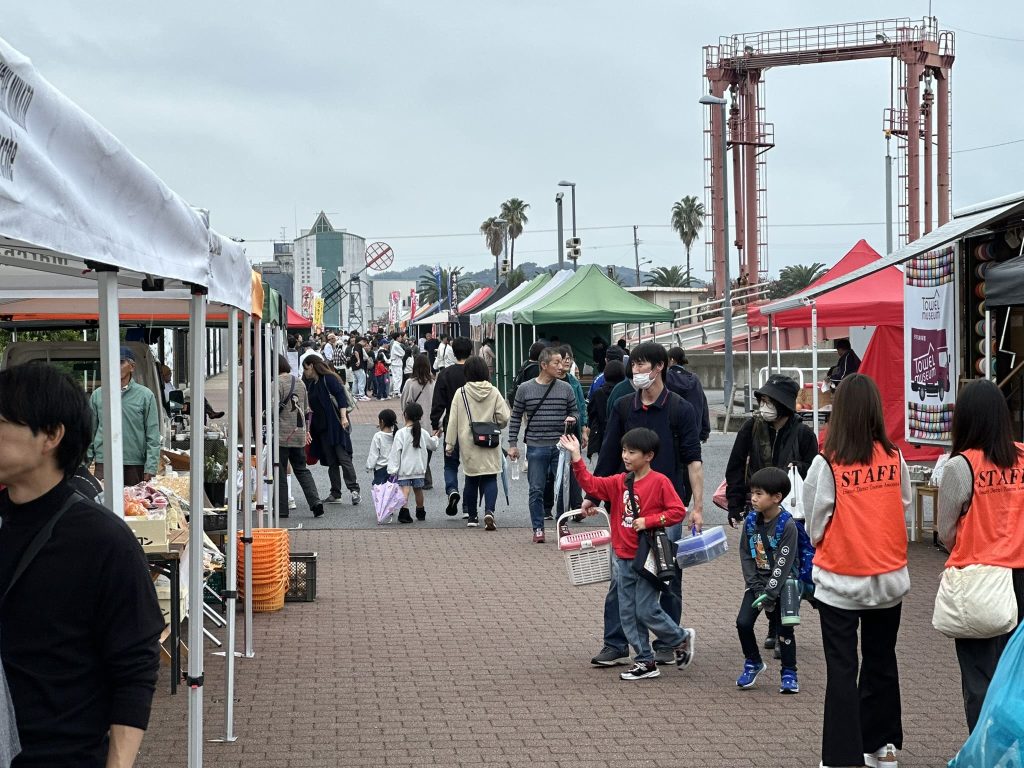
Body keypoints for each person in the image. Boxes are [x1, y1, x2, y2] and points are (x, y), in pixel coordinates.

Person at [0, 362, 164, 766]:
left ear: (52, 436)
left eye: (2, 422)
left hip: (62, 755)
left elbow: (135, 666)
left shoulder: (102, 540)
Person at [802, 373, 910, 768]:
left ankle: (841, 757)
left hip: (841, 579)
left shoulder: (827, 461)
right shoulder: (893, 456)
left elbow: (815, 519)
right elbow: (903, 505)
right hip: (888, 577)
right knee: (882, 661)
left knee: (843, 671)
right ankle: (883, 746)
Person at [587, 342, 703, 668]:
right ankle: (615, 642)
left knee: (666, 574)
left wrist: (697, 506)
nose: (637, 372)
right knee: (620, 575)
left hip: (667, 508)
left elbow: (693, 460)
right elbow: (610, 453)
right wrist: (593, 496)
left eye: (642, 365)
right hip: (627, 507)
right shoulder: (624, 406)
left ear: (660, 366)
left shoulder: (681, 409)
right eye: (633, 366)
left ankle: (667, 642)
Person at [562, 429, 695, 680]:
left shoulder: (659, 482)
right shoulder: (619, 481)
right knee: (627, 612)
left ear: (649, 456)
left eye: (632, 452)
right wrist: (577, 457)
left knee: (645, 610)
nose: (625, 456)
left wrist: (650, 520)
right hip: (621, 556)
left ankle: (680, 637)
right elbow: (591, 484)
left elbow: (678, 511)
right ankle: (645, 660)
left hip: (647, 557)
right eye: (624, 450)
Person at [937, 379, 1024, 733]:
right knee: (1016, 671)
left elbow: (944, 529)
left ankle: (986, 750)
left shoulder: (961, 466)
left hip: (980, 579)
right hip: (1020, 575)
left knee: (979, 677)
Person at [724, 373, 818, 654]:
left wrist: (794, 467)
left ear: (784, 404)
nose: (764, 406)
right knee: (762, 564)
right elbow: (736, 464)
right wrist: (735, 501)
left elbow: (814, 473)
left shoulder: (803, 433)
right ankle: (772, 620)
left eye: (770, 401)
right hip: (760, 512)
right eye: (762, 400)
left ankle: (781, 628)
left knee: (788, 569)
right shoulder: (752, 428)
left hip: (792, 515)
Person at [735, 467, 800, 694]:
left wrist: (771, 592)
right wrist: (754, 585)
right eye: (752, 493)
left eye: (759, 494)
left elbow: (784, 562)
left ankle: (789, 672)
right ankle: (753, 662)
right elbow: (745, 553)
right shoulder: (751, 521)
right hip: (757, 584)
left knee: (785, 631)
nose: (753, 498)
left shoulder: (787, 525)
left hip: (784, 585)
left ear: (776, 497)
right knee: (743, 623)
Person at [506, 346, 579, 544]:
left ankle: (562, 525)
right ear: (543, 365)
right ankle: (538, 527)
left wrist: (573, 417)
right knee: (536, 488)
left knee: (562, 488)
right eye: (556, 362)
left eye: (561, 361)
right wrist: (513, 444)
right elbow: (515, 418)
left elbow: (576, 410)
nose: (561, 366)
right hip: (536, 446)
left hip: (560, 447)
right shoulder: (525, 389)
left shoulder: (566, 388)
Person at [444, 356, 510, 530]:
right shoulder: (494, 391)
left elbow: (453, 421)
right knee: (490, 477)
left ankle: (472, 517)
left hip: (469, 442)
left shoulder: (461, 393)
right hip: (490, 441)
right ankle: (489, 511)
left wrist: (449, 444)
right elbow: (504, 418)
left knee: (471, 479)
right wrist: (495, 422)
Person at [87, 346, 161, 486]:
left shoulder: (145, 396)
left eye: (120, 362)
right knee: (102, 503)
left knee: (133, 504)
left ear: (132, 367)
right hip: (105, 462)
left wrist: (151, 466)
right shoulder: (98, 395)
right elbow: (90, 431)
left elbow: (153, 434)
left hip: (134, 463)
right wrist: (84, 463)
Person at [303, 354, 361, 506]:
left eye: (306, 368)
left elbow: (341, 396)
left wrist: (343, 417)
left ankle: (354, 490)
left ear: (312, 366)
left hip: (336, 425)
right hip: (321, 429)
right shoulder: (312, 384)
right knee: (331, 461)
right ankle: (335, 493)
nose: (305, 371)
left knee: (343, 457)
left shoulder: (329, 379)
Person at [276, 355, 324, 519]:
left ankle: (282, 509)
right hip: (298, 433)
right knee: (302, 469)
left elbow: (271, 410)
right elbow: (306, 410)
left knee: (280, 471)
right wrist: (307, 430)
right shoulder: (300, 382)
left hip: (282, 435)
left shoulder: (276, 383)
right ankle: (315, 502)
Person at [430, 337, 473, 517]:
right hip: (473, 426)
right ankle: (467, 508)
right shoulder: (475, 372)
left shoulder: (445, 374)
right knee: (472, 467)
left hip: (451, 425)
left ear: (453, 352)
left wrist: (435, 424)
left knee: (450, 464)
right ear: (471, 351)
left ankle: (452, 490)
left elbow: (438, 403)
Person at [388, 402, 439, 523]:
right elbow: (433, 445)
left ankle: (404, 512)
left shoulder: (401, 433)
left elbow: (395, 452)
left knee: (405, 490)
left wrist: (392, 469)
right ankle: (420, 512)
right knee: (418, 490)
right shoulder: (423, 432)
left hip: (405, 469)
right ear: (420, 416)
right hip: (419, 468)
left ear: (405, 415)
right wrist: (436, 437)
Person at [401, 355, 436, 489]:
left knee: (416, 450)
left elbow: (404, 402)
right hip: (430, 424)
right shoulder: (433, 383)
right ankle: (425, 478)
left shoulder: (410, 383)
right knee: (427, 451)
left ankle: (424, 478)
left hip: (414, 423)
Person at [666, 347, 710, 443]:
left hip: (672, 431)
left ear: (672, 360)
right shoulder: (695, 379)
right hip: (694, 429)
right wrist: (705, 431)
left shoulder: (666, 378)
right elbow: (703, 404)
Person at [587, 360, 625, 459]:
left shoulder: (598, 393)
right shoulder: (625, 393)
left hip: (602, 436)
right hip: (621, 436)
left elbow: (591, 413)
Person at [366, 408, 398, 486]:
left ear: (382, 421)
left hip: (381, 469)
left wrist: (369, 467)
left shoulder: (378, 436)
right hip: (394, 469)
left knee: (380, 493)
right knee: (392, 493)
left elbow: (373, 454)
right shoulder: (397, 434)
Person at [388, 331, 407, 397]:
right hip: (396, 363)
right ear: (397, 337)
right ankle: (396, 391)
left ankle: (394, 391)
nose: (401, 338)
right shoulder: (396, 345)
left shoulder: (395, 344)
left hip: (395, 363)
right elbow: (403, 353)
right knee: (398, 378)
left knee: (395, 378)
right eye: (400, 337)